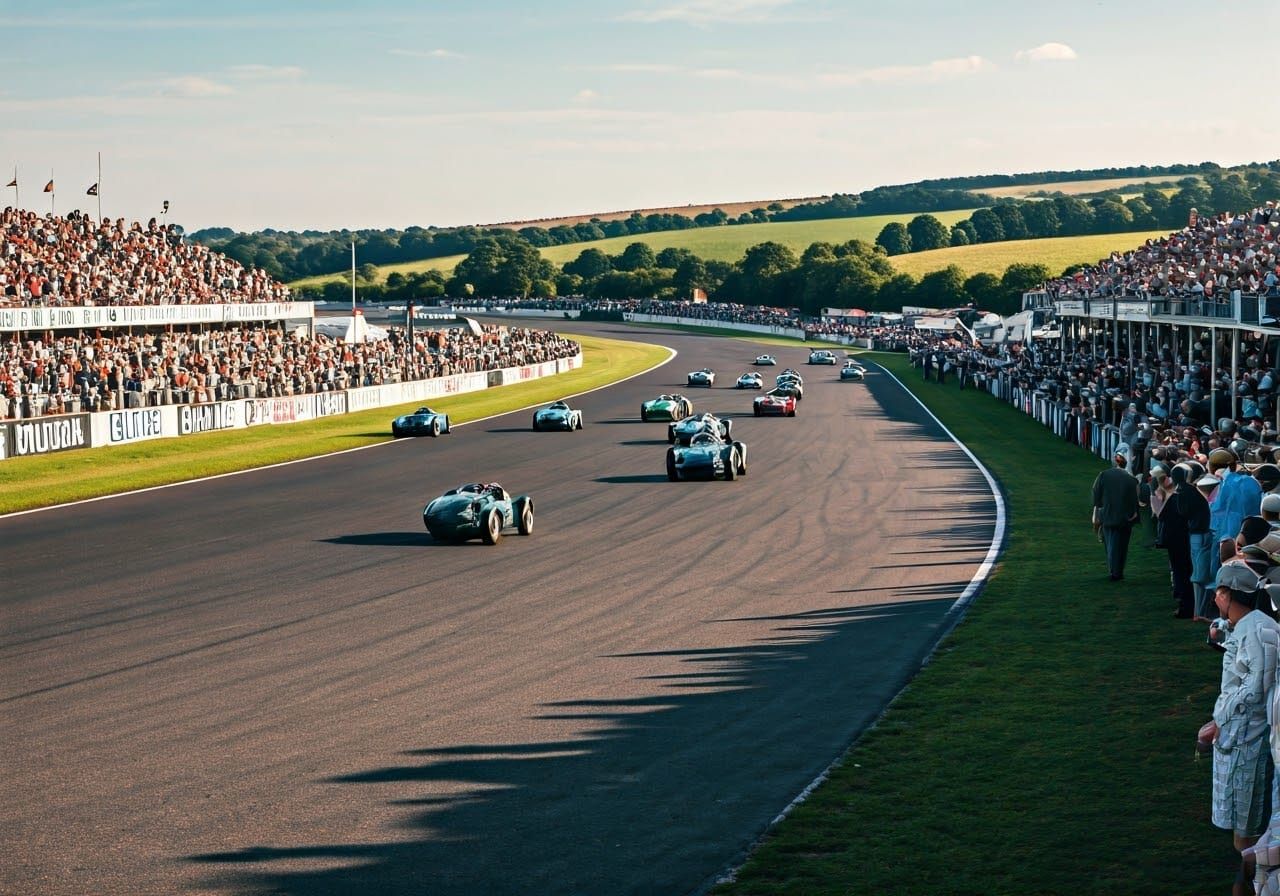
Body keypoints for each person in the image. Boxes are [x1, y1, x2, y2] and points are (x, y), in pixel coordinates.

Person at [1200, 561, 1280, 896]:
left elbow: (1255, 688)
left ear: (1225, 594)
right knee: (1238, 811)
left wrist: (1220, 715)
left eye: (1217, 594)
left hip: (1248, 738)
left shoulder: (1259, 628)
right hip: (1236, 736)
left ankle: (1249, 875)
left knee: (1246, 816)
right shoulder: (1249, 622)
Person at [1092, 451, 1140, 580]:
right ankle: (1118, 570)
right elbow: (1135, 500)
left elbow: (1096, 494)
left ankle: (1114, 571)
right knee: (1122, 545)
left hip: (1107, 514)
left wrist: (1097, 510)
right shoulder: (1131, 479)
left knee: (1110, 544)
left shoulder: (1104, 475)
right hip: (1125, 517)